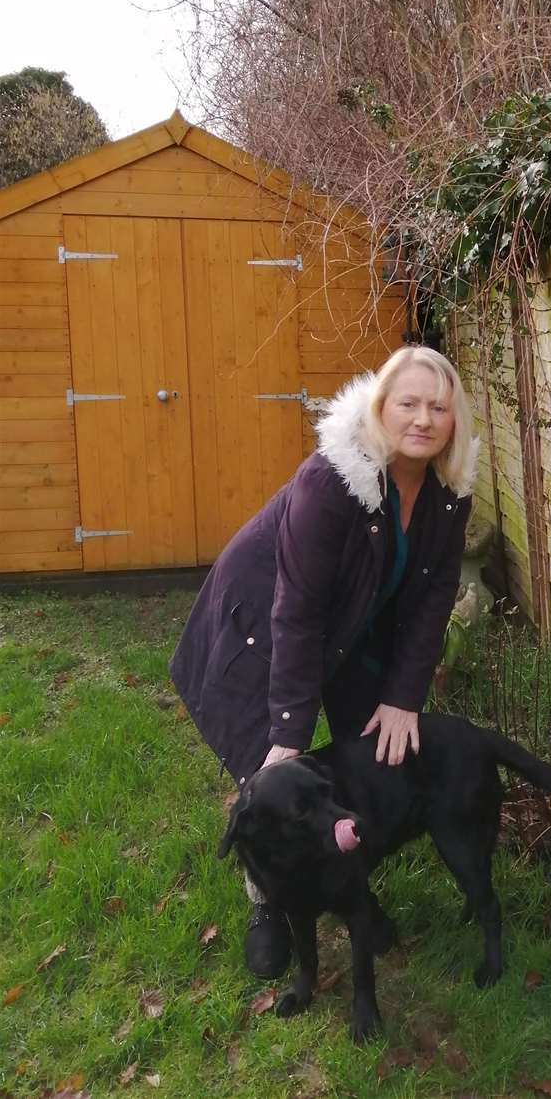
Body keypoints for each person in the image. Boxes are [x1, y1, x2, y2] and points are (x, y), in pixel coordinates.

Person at [169, 345, 477, 978]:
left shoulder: (449, 492)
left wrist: (404, 694)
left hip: (351, 627)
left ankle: (350, 885)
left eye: (438, 407)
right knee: (269, 776)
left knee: (367, 756)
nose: (422, 419)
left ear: (454, 420)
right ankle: (269, 903)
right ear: (380, 408)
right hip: (261, 622)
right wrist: (286, 735)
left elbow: (432, 600)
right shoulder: (331, 480)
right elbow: (297, 614)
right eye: (408, 403)